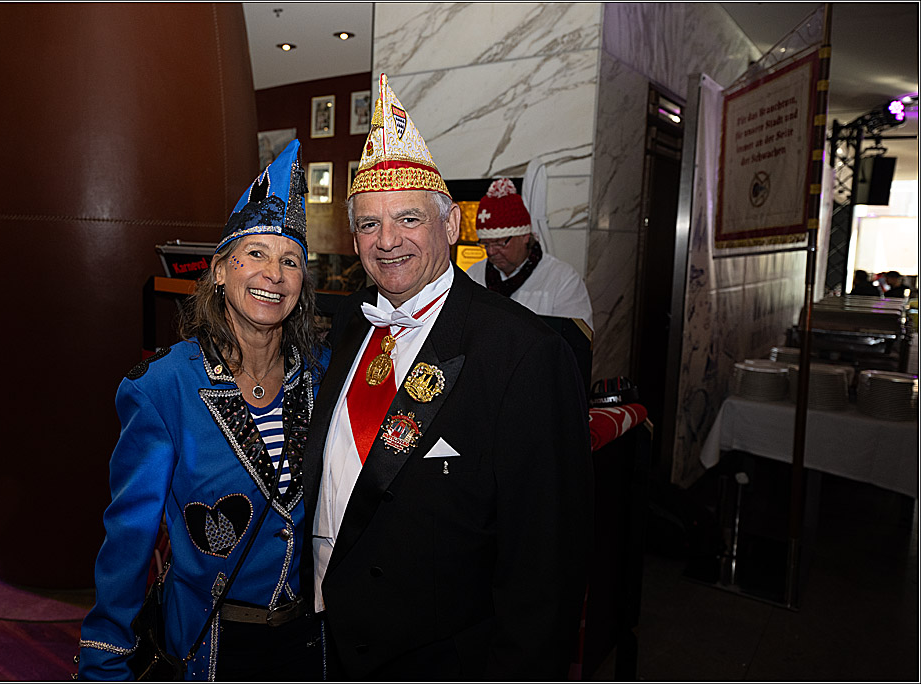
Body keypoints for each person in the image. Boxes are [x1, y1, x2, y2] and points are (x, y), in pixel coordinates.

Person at [301, 74, 592, 680]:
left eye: (408, 219)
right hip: (333, 640)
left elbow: (545, 565)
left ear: (450, 228)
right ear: (353, 239)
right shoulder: (352, 323)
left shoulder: (524, 352)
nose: (388, 242)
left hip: (442, 659)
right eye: (370, 225)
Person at [78, 140, 329, 681]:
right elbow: (129, 540)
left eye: (290, 261)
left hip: (310, 645)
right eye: (256, 254)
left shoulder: (322, 375)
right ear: (219, 271)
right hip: (211, 646)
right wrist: (104, 661)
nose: (274, 274)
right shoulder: (162, 389)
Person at [465, 178, 594, 330]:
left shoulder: (562, 279)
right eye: (485, 244)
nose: (491, 251)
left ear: (525, 236)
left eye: (500, 242)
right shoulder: (473, 275)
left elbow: (575, 340)